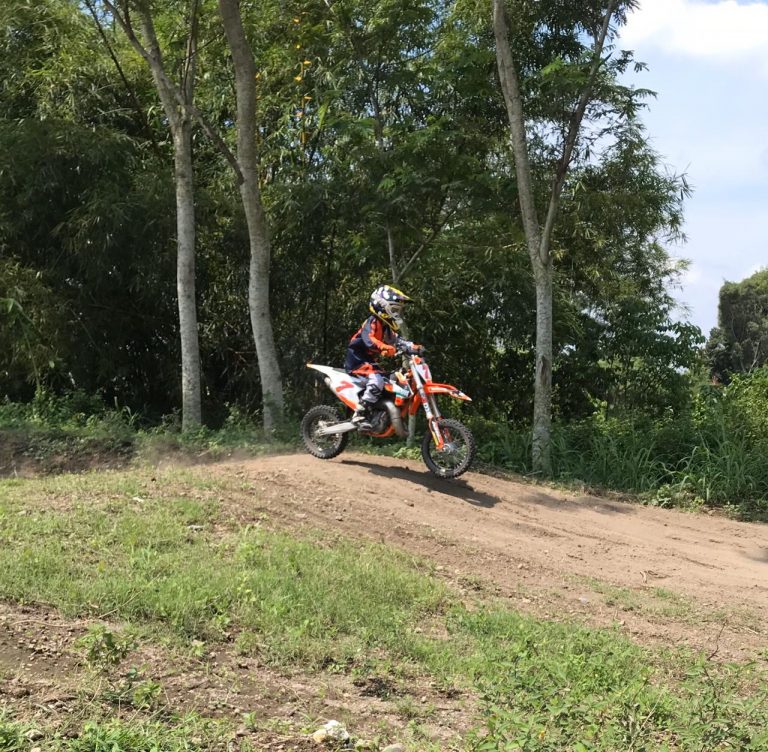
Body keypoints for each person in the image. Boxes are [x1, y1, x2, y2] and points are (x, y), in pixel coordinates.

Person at [344, 285, 419, 431]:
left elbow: (397, 341)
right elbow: (369, 340)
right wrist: (384, 347)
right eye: (395, 310)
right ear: (383, 308)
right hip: (357, 361)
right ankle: (360, 413)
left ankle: (383, 415)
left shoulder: (386, 327)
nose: (397, 314)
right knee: (377, 381)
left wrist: (413, 347)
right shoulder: (372, 322)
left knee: (393, 380)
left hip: (370, 363)